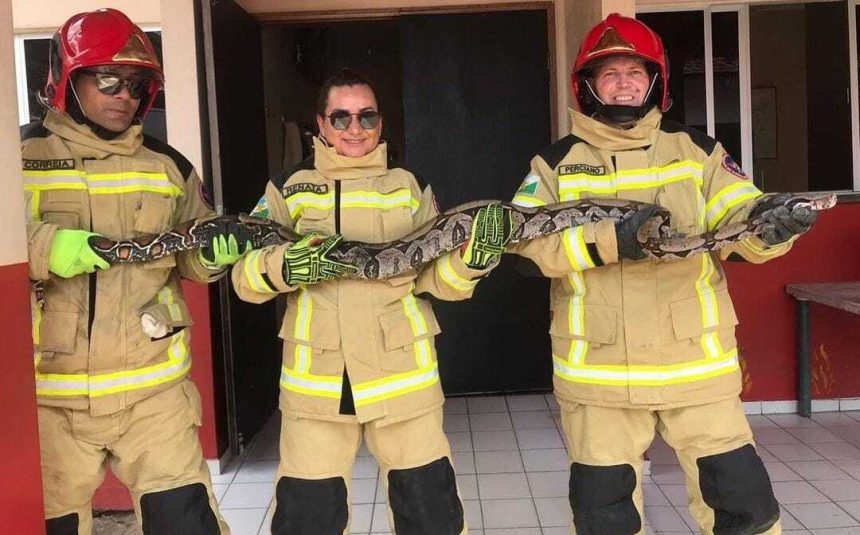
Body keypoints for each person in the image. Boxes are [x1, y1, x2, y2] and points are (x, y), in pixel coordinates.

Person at [510, 13, 816, 535]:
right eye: (610, 74)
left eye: (635, 72)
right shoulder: (555, 163)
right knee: (603, 515)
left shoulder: (696, 151)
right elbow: (524, 246)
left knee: (744, 507)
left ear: (656, 82)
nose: (624, 83)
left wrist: (774, 226)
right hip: (598, 375)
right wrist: (611, 241)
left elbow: (742, 218)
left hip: (695, 369)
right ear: (587, 86)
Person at [232, 68, 510, 534]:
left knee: (430, 515)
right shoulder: (285, 188)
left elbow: (435, 281)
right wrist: (281, 267)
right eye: (340, 118)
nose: (355, 128)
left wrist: (471, 263)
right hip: (316, 384)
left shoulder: (410, 186)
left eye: (367, 116)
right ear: (319, 124)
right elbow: (243, 278)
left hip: (402, 378)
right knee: (308, 519)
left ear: (381, 123)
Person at [22, 9, 246, 534]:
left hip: (155, 393)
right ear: (67, 79)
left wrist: (213, 256)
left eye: (137, 83)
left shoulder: (170, 166)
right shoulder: (17, 159)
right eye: (108, 80)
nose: (125, 94)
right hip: (48, 397)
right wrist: (48, 246)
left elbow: (193, 253)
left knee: (188, 523)